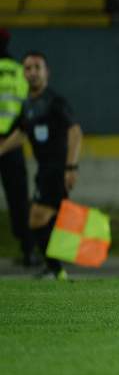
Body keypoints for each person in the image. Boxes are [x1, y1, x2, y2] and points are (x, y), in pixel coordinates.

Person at [0, 52, 82, 280]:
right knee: (51, 220)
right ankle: (55, 267)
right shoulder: (28, 104)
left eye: (37, 67)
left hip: (56, 170)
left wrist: (71, 168)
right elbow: (22, 133)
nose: (32, 72)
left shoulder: (55, 101)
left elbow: (75, 132)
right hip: (44, 170)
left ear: (47, 72)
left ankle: (56, 270)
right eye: (28, 68)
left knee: (36, 218)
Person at [0, 29, 31, 266]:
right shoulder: (21, 71)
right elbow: (25, 109)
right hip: (11, 144)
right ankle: (28, 251)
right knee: (19, 200)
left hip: (8, 144)